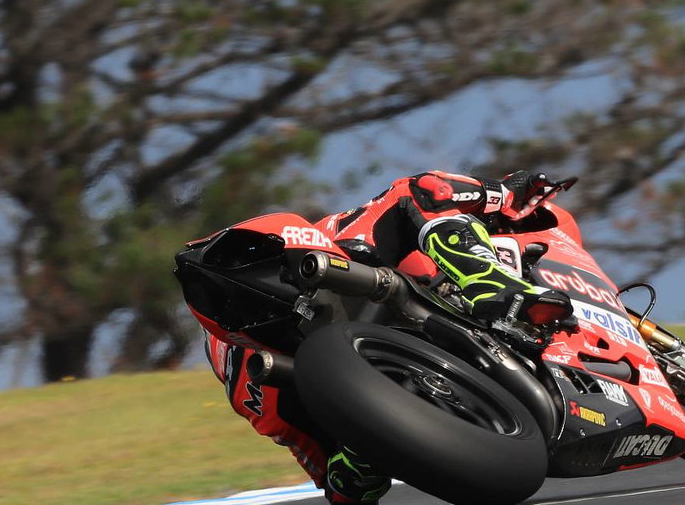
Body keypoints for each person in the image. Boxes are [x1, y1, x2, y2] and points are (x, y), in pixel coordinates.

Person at [205, 169, 576, 504]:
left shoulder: (257, 397)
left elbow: (340, 491)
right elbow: (340, 489)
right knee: (421, 190)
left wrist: (504, 194)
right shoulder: (260, 394)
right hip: (468, 415)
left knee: (422, 194)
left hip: (450, 300)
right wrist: (361, 453)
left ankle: (492, 287)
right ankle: (495, 290)